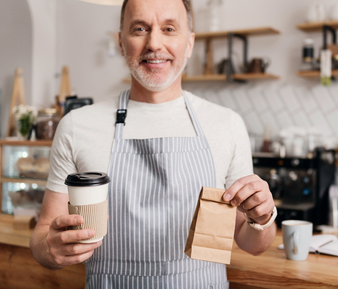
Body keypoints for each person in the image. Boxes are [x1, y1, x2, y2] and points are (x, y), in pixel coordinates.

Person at [30, 0, 276, 287]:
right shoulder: (76, 126)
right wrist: (50, 248)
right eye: (139, 29)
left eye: (169, 28)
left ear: (189, 43)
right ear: (122, 43)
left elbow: (252, 243)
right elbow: (42, 234)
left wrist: (262, 217)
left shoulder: (226, 125)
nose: (154, 43)